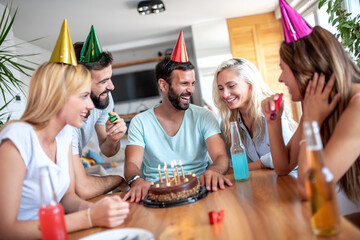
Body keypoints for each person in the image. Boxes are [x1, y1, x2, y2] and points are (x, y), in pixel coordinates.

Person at [0, 62, 129, 238]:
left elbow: (68, 198)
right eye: (84, 96)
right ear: (58, 96)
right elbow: (6, 230)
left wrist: (96, 210)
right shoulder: (17, 139)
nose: (91, 105)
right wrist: (89, 217)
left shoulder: (64, 133)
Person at [262, 1, 360, 218]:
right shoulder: (318, 104)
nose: (280, 78)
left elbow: (309, 189)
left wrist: (311, 123)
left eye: (283, 69)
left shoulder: (357, 106)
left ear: (304, 68)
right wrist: (273, 122)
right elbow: (284, 165)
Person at [123, 31, 232, 203]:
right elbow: (131, 165)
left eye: (192, 83)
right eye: (184, 84)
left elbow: (220, 156)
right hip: (156, 196)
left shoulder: (204, 116)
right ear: (163, 85)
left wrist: (215, 170)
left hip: (200, 190)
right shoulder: (140, 122)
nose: (190, 90)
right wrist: (137, 180)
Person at [71, 26, 127, 200]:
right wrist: (119, 179)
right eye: (104, 81)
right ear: (80, 83)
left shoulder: (104, 99)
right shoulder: (66, 123)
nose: (111, 87)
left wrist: (113, 138)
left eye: (110, 78)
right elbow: (82, 188)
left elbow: (107, 151)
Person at [213, 58, 296, 170]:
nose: (225, 94)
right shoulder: (227, 124)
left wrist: (254, 165)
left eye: (231, 86)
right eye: (221, 88)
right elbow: (230, 165)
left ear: (250, 84)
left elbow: (288, 156)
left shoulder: (271, 110)